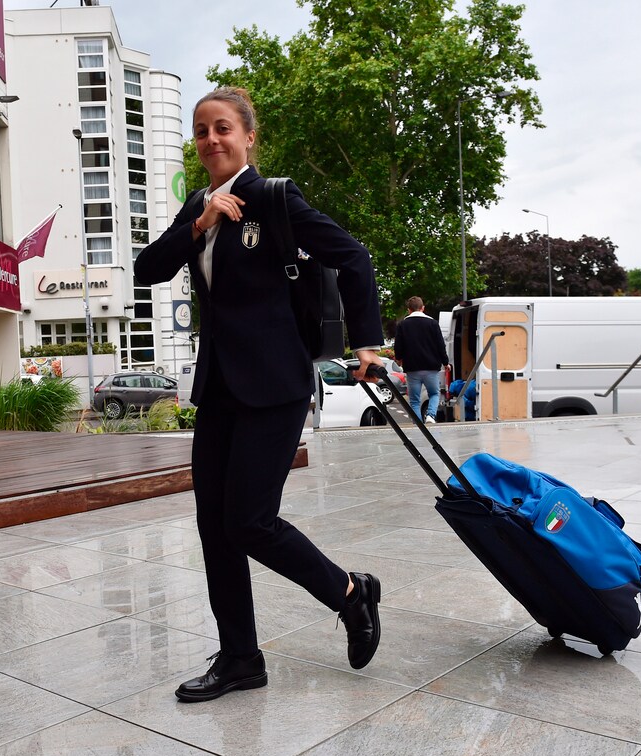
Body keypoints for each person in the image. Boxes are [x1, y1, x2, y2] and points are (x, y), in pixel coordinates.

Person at [134, 86, 386, 703]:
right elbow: (148, 269)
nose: (211, 140)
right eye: (201, 131)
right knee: (215, 528)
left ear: (248, 137)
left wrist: (368, 343)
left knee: (249, 521)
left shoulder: (274, 198)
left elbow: (353, 257)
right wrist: (200, 223)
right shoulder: (198, 205)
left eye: (223, 128)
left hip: (274, 383)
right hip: (219, 385)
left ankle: (349, 593)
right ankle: (241, 658)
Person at [394, 296, 449, 424]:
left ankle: (418, 425)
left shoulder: (403, 325)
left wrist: (399, 358)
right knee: (434, 394)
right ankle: (430, 415)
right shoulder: (433, 323)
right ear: (423, 308)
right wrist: (445, 363)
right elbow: (440, 345)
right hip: (431, 367)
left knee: (414, 400)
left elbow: (398, 346)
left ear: (409, 310)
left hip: (412, 368)